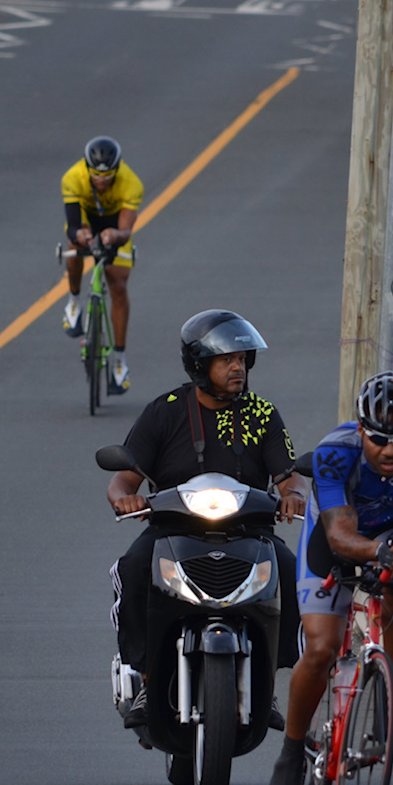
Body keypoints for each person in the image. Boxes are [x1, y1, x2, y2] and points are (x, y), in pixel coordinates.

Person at [107, 310, 304, 743]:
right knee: (132, 566)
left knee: (292, 569)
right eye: (225, 360)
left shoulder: (262, 414)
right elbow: (123, 478)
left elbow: (288, 475)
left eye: (242, 359)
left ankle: (267, 677)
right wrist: (125, 496)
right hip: (173, 531)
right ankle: (141, 673)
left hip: (248, 531)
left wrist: (291, 494)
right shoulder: (165, 411)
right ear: (199, 365)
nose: (237, 367)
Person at [268, 371, 393, 785]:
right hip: (338, 534)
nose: (390, 450)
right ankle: (292, 752)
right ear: (360, 431)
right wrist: (377, 551)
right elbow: (339, 537)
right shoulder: (335, 453)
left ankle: (392, 684)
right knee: (320, 649)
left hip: (391, 531)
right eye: (378, 439)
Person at [62, 135, 143, 394]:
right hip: (87, 222)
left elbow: (126, 231)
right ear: (87, 168)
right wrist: (82, 236)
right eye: (96, 175)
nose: (102, 181)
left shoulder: (131, 184)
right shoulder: (72, 177)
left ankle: (120, 361)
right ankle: (73, 302)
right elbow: (73, 224)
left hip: (115, 229)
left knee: (118, 284)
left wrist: (113, 236)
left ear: (117, 169)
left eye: (108, 176)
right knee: (75, 250)